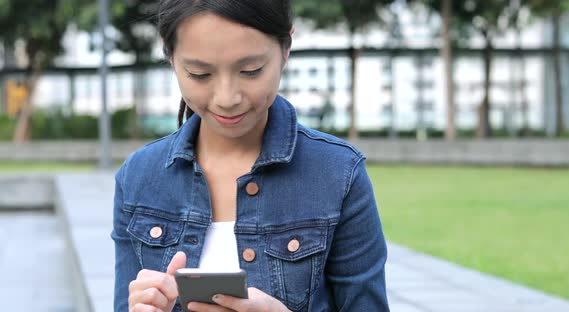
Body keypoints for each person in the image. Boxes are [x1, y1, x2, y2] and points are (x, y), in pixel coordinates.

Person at [112, 0, 389, 311]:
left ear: (286, 48)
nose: (227, 98)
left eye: (250, 71)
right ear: (170, 56)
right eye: (200, 74)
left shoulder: (339, 174)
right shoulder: (137, 178)